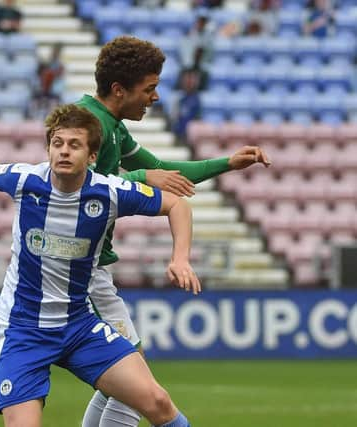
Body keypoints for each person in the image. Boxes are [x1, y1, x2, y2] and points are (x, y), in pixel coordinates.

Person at [0, 104, 201, 427]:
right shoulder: (25, 181)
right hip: (23, 331)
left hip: (78, 326)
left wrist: (180, 257)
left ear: (92, 156)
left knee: (158, 402)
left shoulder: (109, 193)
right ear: (48, 148)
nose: (63, 151)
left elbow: (177, 204)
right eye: (57, 143)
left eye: (74, 145)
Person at [76, 36, 271, 427]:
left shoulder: (110, 125)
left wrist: (227, 164)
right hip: (79, 274)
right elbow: (76, 189)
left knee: (123, 384)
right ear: (119, 90)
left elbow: (164, 169)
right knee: (139, 387)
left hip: (92, 270)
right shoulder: (86, 122)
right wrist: (140, 177)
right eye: (149, 89)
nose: (156, 97)